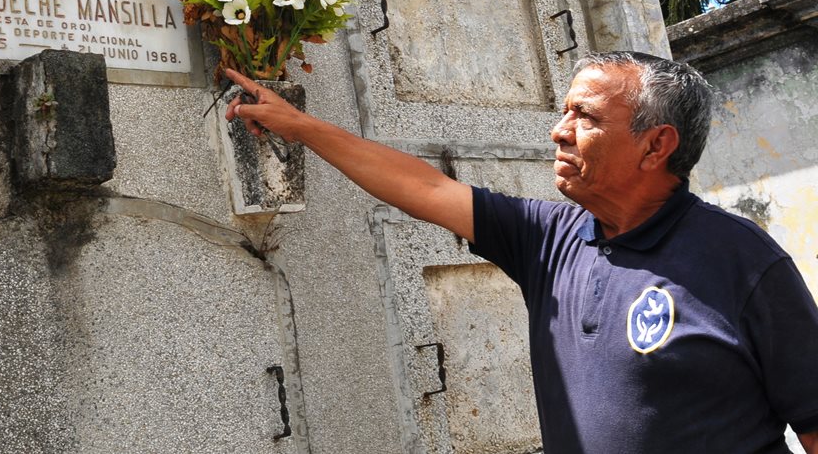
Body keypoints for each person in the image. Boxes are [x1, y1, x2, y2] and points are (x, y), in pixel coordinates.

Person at [225, 51, 818, 454]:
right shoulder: (550, 239)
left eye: (584, 115)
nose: (559, 130)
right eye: (563, 111)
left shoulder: (741, 261)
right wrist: (299, 126)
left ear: (656, 144)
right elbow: (425, 188)